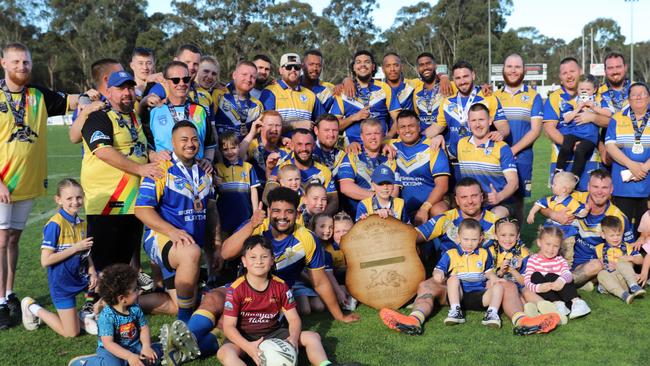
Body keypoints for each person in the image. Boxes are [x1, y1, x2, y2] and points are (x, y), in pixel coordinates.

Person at [0, 42, 72, 327]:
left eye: (26, 62)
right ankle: (0, 302)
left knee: (14, 239)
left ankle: (9, 292)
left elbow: (71, 101)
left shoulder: (37, 95)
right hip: (4, 184)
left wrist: (93, 96)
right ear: (3, 63)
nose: (22, 67)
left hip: (26, 182)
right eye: (16, 62)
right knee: (1, 240)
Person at [221, 187, 359, 324]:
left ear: (297, 214)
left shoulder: (307, 238)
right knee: (213, 299)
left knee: (230, 319)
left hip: (274, 298)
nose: (282, 216)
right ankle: (202, 339)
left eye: (289, 212)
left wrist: (339, 316)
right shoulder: (256, 226)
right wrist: (251, 225)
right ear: (269, 212)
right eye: (277, 211)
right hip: (242, 289)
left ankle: (215, 339)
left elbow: (320, 282)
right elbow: (226, 254)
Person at [217, 236, 343, 366]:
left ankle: (325, 364)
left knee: (312, 336)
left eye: (264, 257)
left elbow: (294, 319)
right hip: (245, 337)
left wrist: (293, 339)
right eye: (253, 257)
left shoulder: (281, 286)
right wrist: (248, 347)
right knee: (225, 352)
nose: (259, 261)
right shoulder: (236, 289)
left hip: (273, 333)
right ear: (244, 261)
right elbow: (228, 327)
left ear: (272, 260)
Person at [80, 71, 160, 273]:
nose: (127, 92)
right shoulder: (99, 117)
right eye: (121, 88)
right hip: (108, 203)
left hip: (131, 201)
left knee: (123, 267)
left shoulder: (132, 117)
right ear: (108, 92)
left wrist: (153, 155)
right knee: (105, 269)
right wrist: (141, 169)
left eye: (130, 88)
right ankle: (99, 304)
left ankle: (120, 304)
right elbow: (103, 152)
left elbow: (137, 146)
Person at [135, 122, 214, 322]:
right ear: (172, 143)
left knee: (178, 303)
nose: (190, 144)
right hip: (162, 238)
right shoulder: (161, 169)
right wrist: (171, 231)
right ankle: (185, 323)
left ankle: (126, 302)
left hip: (185, 243)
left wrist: (217, 244)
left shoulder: (205, 171)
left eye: (195, 139)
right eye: (184, 139)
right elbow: (141, 210)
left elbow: (211, 210)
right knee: (191, 252)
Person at [68, 264, 198, 366]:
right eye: (135, 289)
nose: (140, 291)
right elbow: (109, 344)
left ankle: (165, 347)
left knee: (150, 359)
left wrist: (146, 347)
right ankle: (89, 362)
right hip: (112, 352)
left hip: (134, 346)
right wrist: (129, 356)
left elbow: (144, 328)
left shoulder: (135, 308)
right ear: (122, 298)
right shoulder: (106, 317)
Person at [21, 179, 98, 337]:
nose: (75, 202)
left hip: (80, 277)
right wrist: (75, 248)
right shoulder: (54, 225)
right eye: (69, 198)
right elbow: (45, 261)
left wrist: (93, 272)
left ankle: (84, 315)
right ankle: (31, 307)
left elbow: (86, 253)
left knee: (113, 285)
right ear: (58, 200)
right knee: (71, 333)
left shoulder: (82, 224)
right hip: (62, 283)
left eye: (78, 197)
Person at [493, 54, 544, 222]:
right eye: (509, 66)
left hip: (522, 157)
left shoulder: (533, 96)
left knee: (518, 201)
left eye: (517, 67)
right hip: (496, 157)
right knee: (496, 197)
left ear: (524, 70)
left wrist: (512, 150)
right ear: (503, 69)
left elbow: (535, 131)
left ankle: (516, 242)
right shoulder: (493, 97)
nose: (513, 71)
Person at [141, 61, 216, 169]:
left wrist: (208, 160)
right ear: (166, 82)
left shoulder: (200, 110)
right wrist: (154, 155)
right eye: (176, 80)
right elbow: (145, 145)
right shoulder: (154, 111)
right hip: (166, 175)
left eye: (185, 79)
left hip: (196, 176)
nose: (181, 84)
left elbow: (210, 145)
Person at [428, 60, 509, 160]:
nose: (462, 82)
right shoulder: (447, 102)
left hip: (482, 159)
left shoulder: (488, 98)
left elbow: (503, 126)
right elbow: (435, 128)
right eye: (458, 78)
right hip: (455, 161)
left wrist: (500, 133)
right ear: (453, 79)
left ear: (473, 75)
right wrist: (416, 136)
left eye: (465, 76)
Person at [543, 57, 602, 190]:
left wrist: (592, 117)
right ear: (560, 77)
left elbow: (609, 121)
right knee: (563, 203)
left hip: (590, 157)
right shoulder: (554, 97)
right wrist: (571, 145)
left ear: (580, 72)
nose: (569, 76)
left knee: (589, 201)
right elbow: (549, 129)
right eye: (564, 73)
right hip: (562, 157)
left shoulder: (594, 94)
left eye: (572, 71)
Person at [451, 103, 519, 219]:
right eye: (473, 120)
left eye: (481, 120)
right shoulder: (461, 144)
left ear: (490, 121)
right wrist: (439, 137)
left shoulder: (502, 147)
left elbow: (514, 182)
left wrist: (499, 196)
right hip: (471, 202)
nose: (477, 125)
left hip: (498, 203)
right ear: (468, 123)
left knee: (492, 218)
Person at [434, 219, 504, 328]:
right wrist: (438, 273)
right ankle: (455, 311)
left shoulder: (484, 253)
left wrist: (494, 278)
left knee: (498, 286)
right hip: (458, 295)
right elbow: (439, 268)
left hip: (480, 295)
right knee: (452, 279)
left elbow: (488, 271)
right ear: (458, 238)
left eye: (474, 239)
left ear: (480, 239)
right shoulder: (451, 254)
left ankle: (492, 314)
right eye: (465, 239)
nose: (470, 243)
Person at [605, 82, 650, 231]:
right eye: (634, 94)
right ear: (629, 99)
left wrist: (643, 168)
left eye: (642, 93)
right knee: (621, 230)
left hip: (647, 185)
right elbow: (610, 146)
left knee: (645, 233)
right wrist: (631, 165)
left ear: (648, 97)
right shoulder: (617, 119)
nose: (638, 96)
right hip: (622, 187)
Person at [391, 110, 450, 224]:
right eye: (403, 127)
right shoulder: (390, 145)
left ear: (419, 127)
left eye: (411, 126)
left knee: (439, 210)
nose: (407, 130)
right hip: (399, 207)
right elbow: (370, 144)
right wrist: (354, 144)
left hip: (428, 205)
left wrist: (424, 208)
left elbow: (442, 186)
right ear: (397, 130)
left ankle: (442, 241)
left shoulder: (432, 146)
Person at [330, 50, 401, 145]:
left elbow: (399, 119)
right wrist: (354, 117)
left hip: (380, 147)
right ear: (354, 67)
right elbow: (334, 126)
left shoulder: (384, 88)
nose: (362, 65)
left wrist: (388, 138)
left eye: (367, 62)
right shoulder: (343, 91)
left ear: (373, 67)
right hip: (352, 148)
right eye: (358, 62)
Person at [524, 226, 591, 320]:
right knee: (535, 276)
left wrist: (561, 281)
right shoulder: (533, 260)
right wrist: (539, 288)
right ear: (539, 242)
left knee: (554, 276)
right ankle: (558, 304)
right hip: (549, 294)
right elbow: (527, 281)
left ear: (560, 247)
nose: (551, 249)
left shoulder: (560, 260)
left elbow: (568, 275)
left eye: (555, 246)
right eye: (548, 244)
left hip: (564, 292)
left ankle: (577, 302)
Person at [527, 171, 589, 266]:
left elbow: (581, 212)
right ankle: (544, 265)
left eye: (554, 184)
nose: (552, 186)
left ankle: (566, 269)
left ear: (563, 189)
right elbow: (539, 203)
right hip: (552, 231)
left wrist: (585, 211)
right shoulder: (551, 199)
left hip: (567, 232)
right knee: (548, 249)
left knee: (567, 251)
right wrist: (532, 213)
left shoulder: (572, 202)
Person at [555, 74, 610, 178]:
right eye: (581, 89)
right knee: (566, 146)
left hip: (590, 137)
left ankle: (575, 176)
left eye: (588, 89)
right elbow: (566, 119)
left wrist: (593, 108)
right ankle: (558, 169)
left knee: (580, 151)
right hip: (574, 133)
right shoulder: (572, 101)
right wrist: (577, 108)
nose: (584, 92)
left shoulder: (598, 101)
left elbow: (608, 114)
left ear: (594, 90)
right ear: (577, 89)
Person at [271, 128, 338, 214]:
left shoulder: (324, 171)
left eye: (308, 144)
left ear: (313, 146)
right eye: (299, 144)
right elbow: (268, 195)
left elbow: (334, 201)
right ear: (292, 146)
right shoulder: (281, 168)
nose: (304, 148)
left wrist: (317, 220)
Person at [338, 119, 398, 213]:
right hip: (357, 215)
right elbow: (346, 187)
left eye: (377, 133)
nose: (373, 137)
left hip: (385, 213)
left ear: (382, 135)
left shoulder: (389, 157)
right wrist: (377, 198)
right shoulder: (352, 155)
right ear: (361, 136)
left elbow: (395, 190)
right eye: (368, 134)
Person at [259, 52, 325, 129]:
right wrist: (296, 125)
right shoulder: (270, 92)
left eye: (297, 67)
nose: (293, 70)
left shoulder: (310, 95)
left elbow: (324, 121)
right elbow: (265, 125)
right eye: (289, 67)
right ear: (280, 70)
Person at [69, 58, 124, 144]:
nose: (124, 75)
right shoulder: (86, 103)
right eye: (119, 74)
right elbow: (74, 138)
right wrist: (87, 111)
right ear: (106, 80)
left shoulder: (126, 99)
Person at [215, 131, 260, 234]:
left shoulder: (248, 167)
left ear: (239, 147)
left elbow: (253, 190)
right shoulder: (217, 168)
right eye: (225, 149)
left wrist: (256, 211)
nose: (230, 152)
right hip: (224, 216)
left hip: (244, 216)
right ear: (221, 151)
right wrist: (213, 181)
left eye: (233, 148)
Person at [595, 216, 645, 303]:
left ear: (622, 233)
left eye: (618, 235)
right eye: (612, 235)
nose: (616, 238)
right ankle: (624, 295)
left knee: (622, 263)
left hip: (626, 279)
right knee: (601, 274)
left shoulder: (627, 247)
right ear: (603, 235)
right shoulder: (598, 248)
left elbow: (641, 260)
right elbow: (596, 265)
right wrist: (605, 265)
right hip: (613, 281)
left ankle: (634, 286)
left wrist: (631, 258)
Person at [212, 61, 263, 138]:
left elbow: (256, 136)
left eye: (253, 77)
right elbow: (209, 124)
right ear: (234, 75)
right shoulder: (218, 93)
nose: (248, 79)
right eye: (244, 74)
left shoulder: (257, 106)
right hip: (218, 148)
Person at [239, 110, 289, 185]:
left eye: (278, 125)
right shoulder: (252, 144)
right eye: (270, 125)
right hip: (255, 191)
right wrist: (252, 133)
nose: (274, 129)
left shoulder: (286, 147)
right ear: (260, 126)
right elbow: (238, 158)